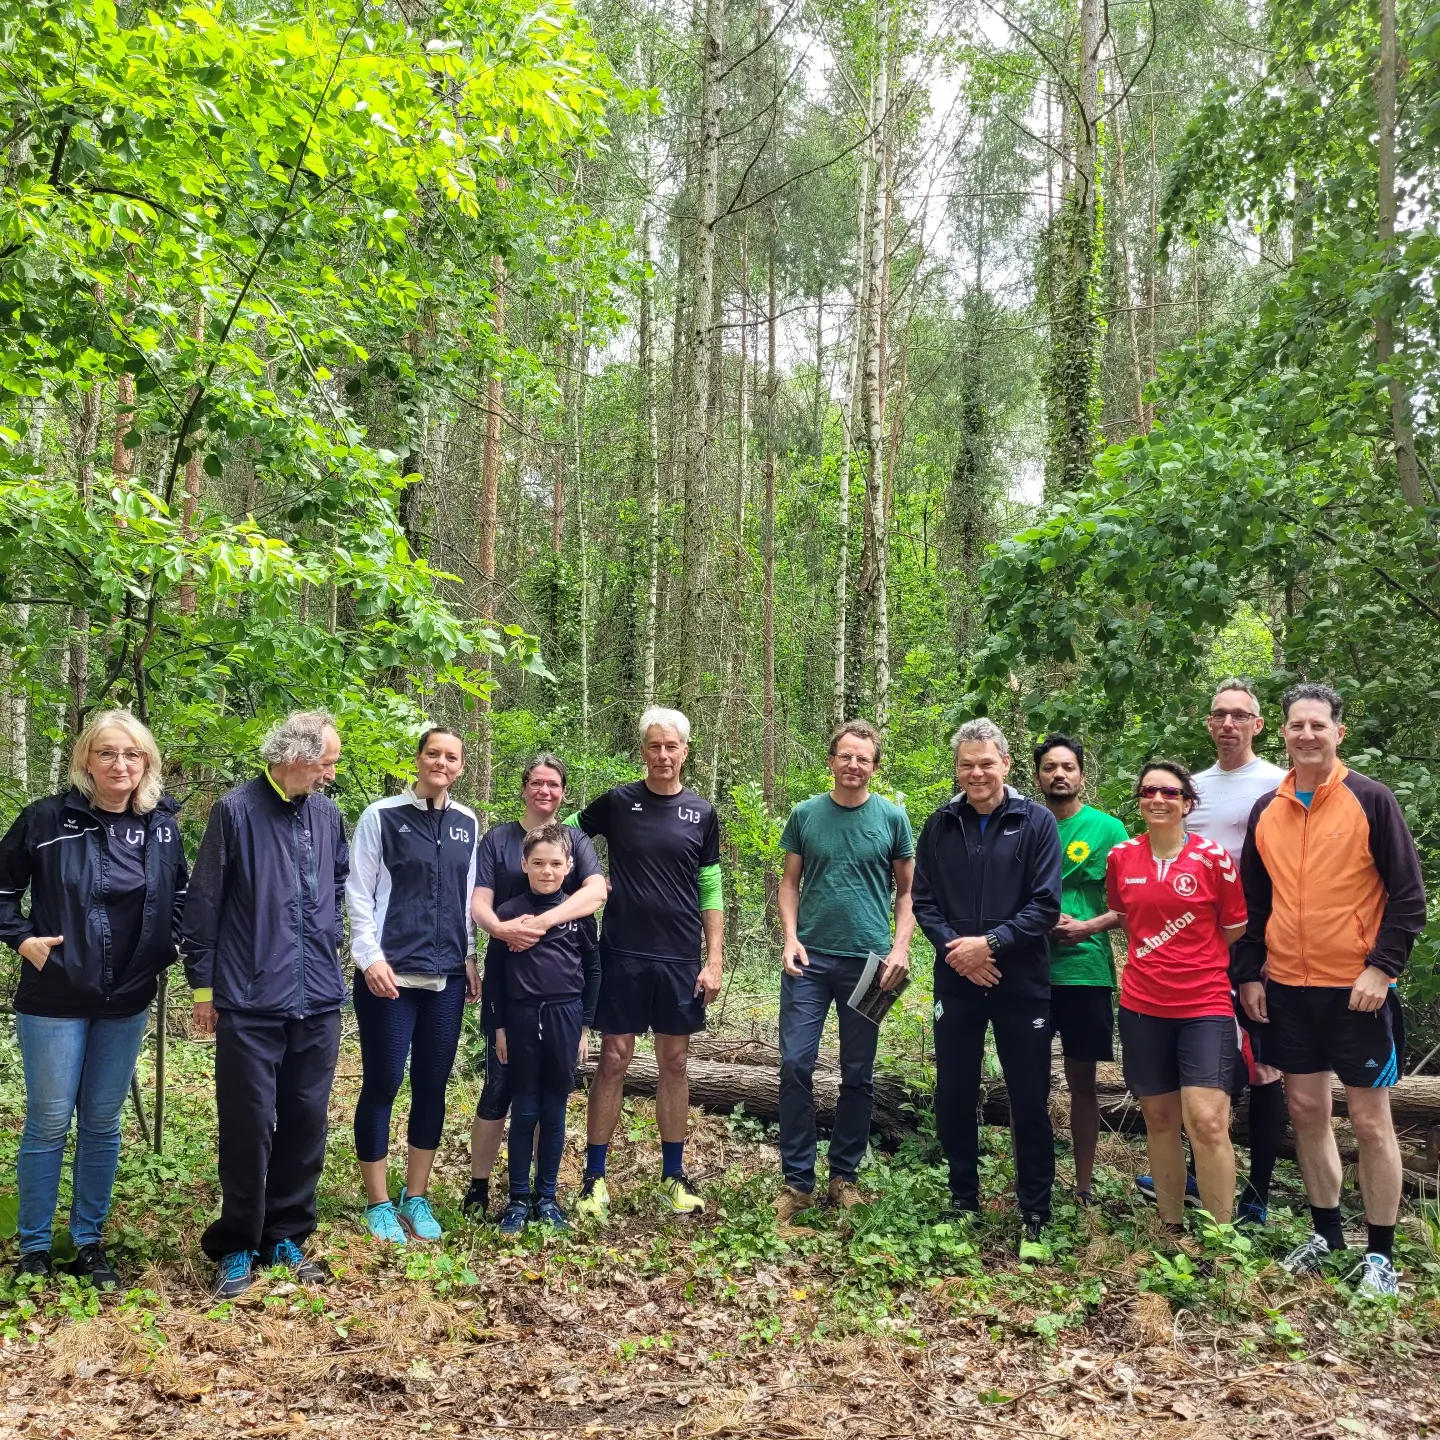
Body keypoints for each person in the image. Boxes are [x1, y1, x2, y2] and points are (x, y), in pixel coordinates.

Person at [1234, 683, 1426, 1298]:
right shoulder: (1269, 808)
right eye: (1296, 726)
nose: (1306, 735)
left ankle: (1380, 1254)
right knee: (1307, 1111)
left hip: (1357, 991)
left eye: (1318, 725)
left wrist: (1381, 968)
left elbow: (1408, 897)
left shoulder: (1371, 799)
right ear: (1282, 734)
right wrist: (1249, 971)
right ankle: (1326, 1236)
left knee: (1371, 1122)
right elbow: (1256, 902)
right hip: (1287, 986)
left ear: (1338, 732)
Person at [0, 710, 188, 1287]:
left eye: (132, 754)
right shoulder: (45, 820)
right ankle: (33, 1248)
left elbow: (182, 894)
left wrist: (170, 947)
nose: (120, 764)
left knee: (103, 1122)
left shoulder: (161, 826)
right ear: (86, 759)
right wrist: (21, 938)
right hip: (54, 992)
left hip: (127, 995)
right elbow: (2, 892)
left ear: (147, 762)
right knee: (50, 1120)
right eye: (108, 753)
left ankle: (88, 1241)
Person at [183, 711, 348, 1300]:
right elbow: (202, 906)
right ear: (297, 757)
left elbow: (334, 885)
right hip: (248, 999)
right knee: (248, 1125)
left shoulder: (329, 816)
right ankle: (236, 1246)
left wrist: (325, 942)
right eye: (327, 761)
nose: (332, 773)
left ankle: (286, 1233)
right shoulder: (234, 811)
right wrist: (204, 989)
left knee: (306, 1121)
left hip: (319, 998)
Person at [911, 718, 1063, 1261]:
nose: (976, 773)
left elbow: (1045, 904)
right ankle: (962, 1199)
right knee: (953, 1091)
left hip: (1021, 981)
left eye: (986, 763)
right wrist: (962, 951)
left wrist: (991, 945)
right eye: (966, 764)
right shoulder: (939, 825)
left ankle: (1036, 1215)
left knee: (1028, 1097)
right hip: (957, 978)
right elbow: (922, 902)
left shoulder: (1036, 822)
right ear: (957, 769)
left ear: (1005, 764)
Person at [574, 707, 723, 1220]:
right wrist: (592, 880)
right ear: (644, 751)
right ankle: (594, 1178)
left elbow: (711, 888)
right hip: (622, 952)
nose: (663, 755)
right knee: (613, 1058)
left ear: (685, 751)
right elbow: (566, 835)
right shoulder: (619, 801)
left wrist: (715, 958)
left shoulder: (701, 813)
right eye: (654, 746)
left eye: (671, 747)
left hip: (680, 956)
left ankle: (674, 1176)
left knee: (674, 1062)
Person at [773, 719, 915, 1227]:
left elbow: (907, 892)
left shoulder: (893, 819)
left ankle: (845, 1177)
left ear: (874, 767)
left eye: (864, 758)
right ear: (831, 760)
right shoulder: (806, 815)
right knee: (795, 1065)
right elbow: (789, 884)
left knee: (858, 1072)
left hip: (872, 965)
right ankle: (797, 1182)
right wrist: (790, 937)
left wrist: (900, 948)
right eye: (846, 756)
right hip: (808, 961)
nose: (854, 765)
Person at [346, 728, 480, 1245]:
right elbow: (358, 893)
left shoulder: (467, 822)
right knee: (382, 1083)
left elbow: (467, 896)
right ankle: (378, 1201)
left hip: (445, 976)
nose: (441, 763)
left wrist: (468, 956)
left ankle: (415, 1195)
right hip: (390, 975)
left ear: (461, 766)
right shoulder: (382, 816)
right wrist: (369, 958)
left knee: (432, 1084)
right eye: (433, 754)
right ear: (418, 759)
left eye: (451, 756)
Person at [464, 753, 607, 1218]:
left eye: (554, 784)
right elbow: (480, 902)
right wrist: (502, 930)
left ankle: (546, 1196)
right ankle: (490, 1189)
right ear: (524, 786)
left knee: (552, 1101)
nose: (545, 791)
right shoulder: (498, 840)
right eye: (537, 783)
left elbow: (596, 899)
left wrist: (542, 923)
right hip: (514, 997)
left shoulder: (576, 841)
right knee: (503, 1091)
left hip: (563, 1008)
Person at [1106, 761, 1246, 1228]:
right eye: (1149, 791)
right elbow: (1126, 919)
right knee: (1160, 1120)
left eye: (1170, 792)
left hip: (1204, 1004)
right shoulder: (1121, 857)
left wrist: (1192, 960)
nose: (1158, 799)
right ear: (1140, 799)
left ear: (1187, 803)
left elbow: (1233, 927)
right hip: (1143, 1005)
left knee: (1207, 1122)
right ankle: (1171, 1228)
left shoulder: (1213, 859)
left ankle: (1222, 1239)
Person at [1183, 678, 1288, 1225]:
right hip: (1199, 943)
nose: (1228, 724)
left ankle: (1260, 1193)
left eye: (1239, 715)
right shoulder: (1191, 789)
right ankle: (1197, 1174)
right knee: (1206, 1060)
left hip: (1263, 942)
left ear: (1257, 724)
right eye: (1219, 714)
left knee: (1266, 1064)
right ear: (1208, 722)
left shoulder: (1278, 782)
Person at [492, 823, 605, 1235]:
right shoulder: (507, 913)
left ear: (569, 865)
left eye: (555, 864)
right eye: (538, 863)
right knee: (524, 1110)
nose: (546, 871)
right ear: (524, 864)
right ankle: (518, 1199)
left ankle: (548, 1197)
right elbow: (496, 975)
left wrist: (585, 1026)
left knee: (554, 1110)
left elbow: (593, 971)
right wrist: (499, 1026)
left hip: (565, 1017)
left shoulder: (578, 915)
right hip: (520, 1019)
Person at [1033, 734, 1126, 1206]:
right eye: (1050, 767)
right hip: (1028, 972)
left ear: (1082, 776)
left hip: (1086, 973)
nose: (1059, 775)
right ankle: (1033, 1179)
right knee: (1026, 1081)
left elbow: (1133, 903)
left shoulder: (1108, 831)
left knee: (1082, 1081)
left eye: (1067, 767)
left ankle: (1085, 1184)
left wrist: (1087, 924)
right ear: (1037, 777)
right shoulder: (1023, 825)